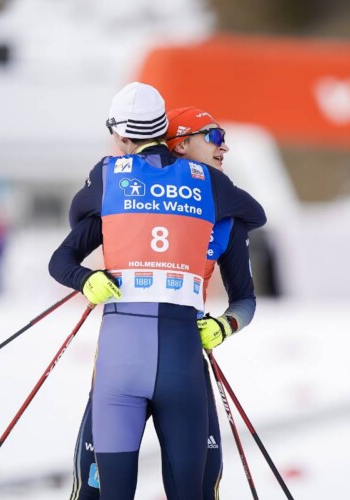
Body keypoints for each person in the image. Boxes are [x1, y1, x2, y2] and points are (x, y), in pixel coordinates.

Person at [49, 83, 265, 499]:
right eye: (213, 136)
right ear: (176, 143)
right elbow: (72, 244)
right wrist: (87, 276)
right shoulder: (205, 190)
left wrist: (226, 324)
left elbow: (246, 287)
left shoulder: (221, 212)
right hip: (156, 358)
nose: (223, 147)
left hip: (170, 355)